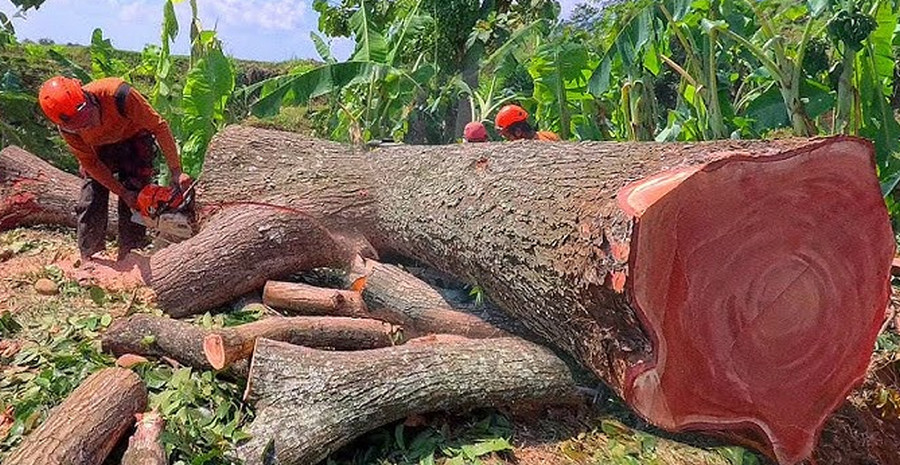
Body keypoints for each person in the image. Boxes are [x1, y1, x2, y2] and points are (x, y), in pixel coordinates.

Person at [38, 76, 191, 261]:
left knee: (138, 194)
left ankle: (131, 252)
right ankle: (91, 255)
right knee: (91, 197)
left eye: (86, 118)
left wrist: (176, 171)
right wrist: (122, 193)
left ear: (87, 99)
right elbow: (91, 164)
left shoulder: (119, 94)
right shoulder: (68, 129)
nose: (87, 125)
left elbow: (159, 126)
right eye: (78, 125)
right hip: (99, 149)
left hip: (134, 138)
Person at [494, 104, 560, 141]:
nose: (508, 140)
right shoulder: (550, 135)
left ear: (518, 132)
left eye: (507, 136)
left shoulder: (521, 152)